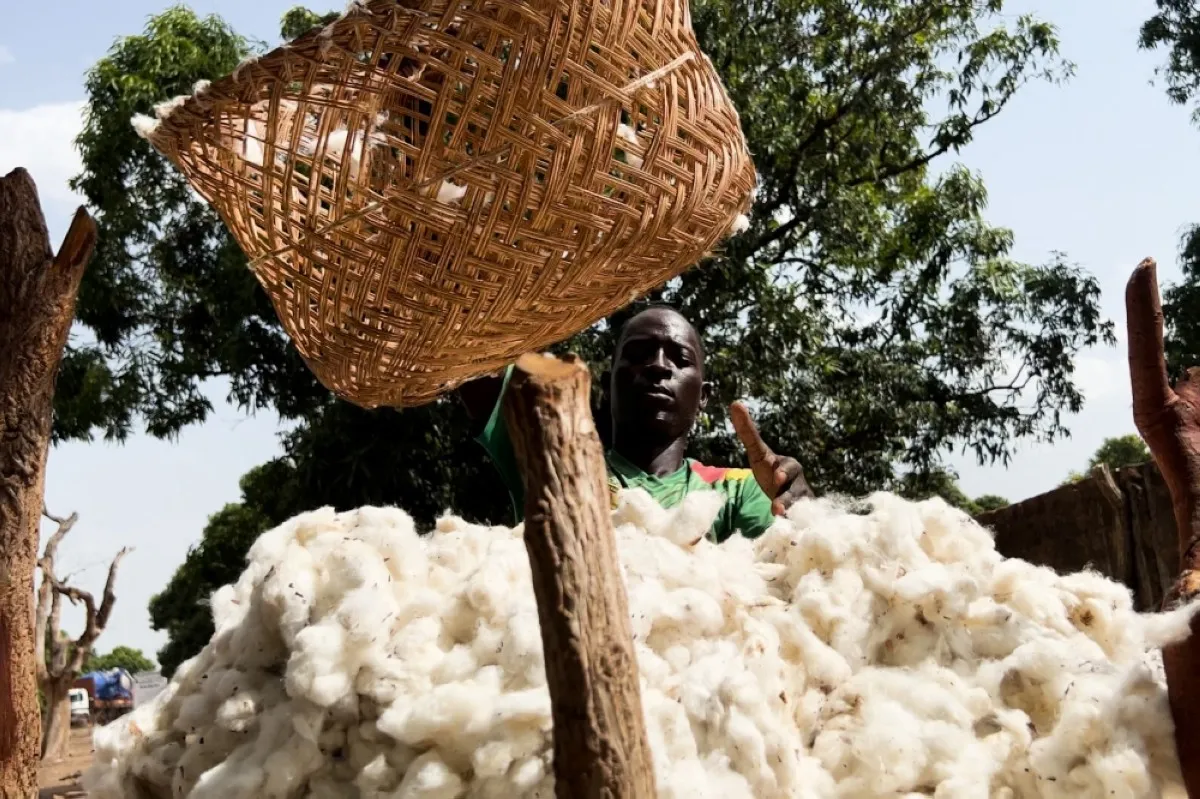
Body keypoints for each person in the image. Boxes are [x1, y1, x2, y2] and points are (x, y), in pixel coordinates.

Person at [458, 306, 813, 541]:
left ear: (703, 395)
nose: (658, 366)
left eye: (679, 358)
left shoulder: (738, 491)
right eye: (638, 355)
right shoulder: (556, 467)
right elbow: (465, 347)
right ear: (610, 383)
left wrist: (802, 513)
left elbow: (793, 577)